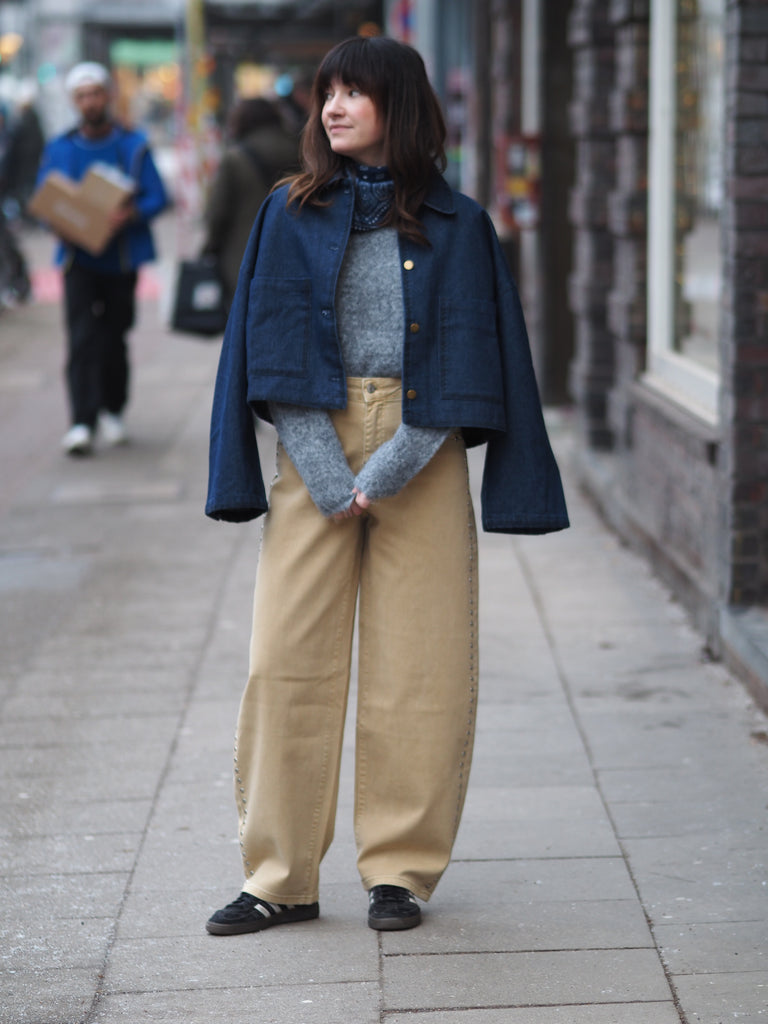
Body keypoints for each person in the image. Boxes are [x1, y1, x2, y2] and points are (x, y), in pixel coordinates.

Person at [204, 35, 569, 936]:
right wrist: (331, 474)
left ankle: (398, 872)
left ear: (397, 106)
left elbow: (471, 359)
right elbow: (269, 350)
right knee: (285, 660)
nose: (332, 107)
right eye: (327, 92)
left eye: (353, 93)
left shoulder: (460, 224)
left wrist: (391, 467)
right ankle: (280, 878)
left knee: (423, 665)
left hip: (422, 445)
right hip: (315, 447)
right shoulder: (286, 212)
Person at [36, 62, 168, 456]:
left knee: (114, 338)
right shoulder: (59, 148)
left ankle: (113, 409)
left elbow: (158, 196)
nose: (90, 102)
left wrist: (129, 214)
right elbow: (45, 200)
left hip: (121, 261)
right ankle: (82, 421)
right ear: (74, 102)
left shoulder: (133, 145)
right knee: (80, 339)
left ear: (108, 96)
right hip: (78, 260)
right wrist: (57, 221)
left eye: (95, 93)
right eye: (82, 96)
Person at [202, 97, 298, 307]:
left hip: (244, 254)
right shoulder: (299, 150)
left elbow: (217, 213)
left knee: (243, 318)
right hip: (293, 252)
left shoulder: (235, 158)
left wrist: (210, 247)